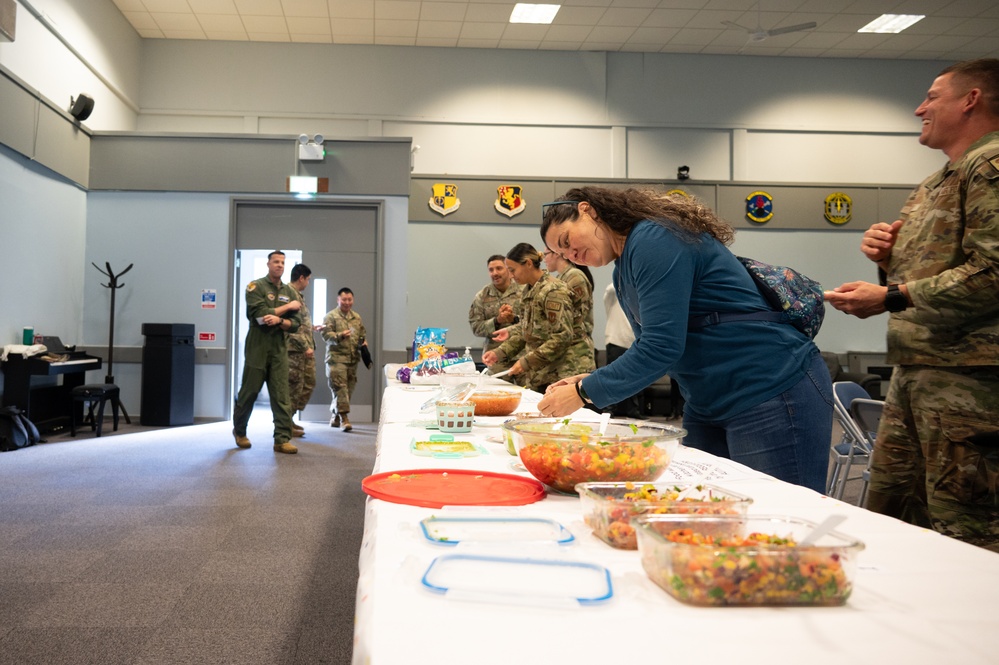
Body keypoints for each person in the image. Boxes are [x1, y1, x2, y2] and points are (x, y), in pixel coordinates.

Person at [535, 187, 832, 492]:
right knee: (707, 512)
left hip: (768, 388)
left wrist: (584, 392)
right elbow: (650, 346)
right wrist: (590, 380)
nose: (570, 255)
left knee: (781, 517)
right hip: (707, 402)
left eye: (567, 241)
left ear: (587, 210)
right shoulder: (622, 271)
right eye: (561, 253)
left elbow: (661, 348)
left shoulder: (654, 239)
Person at [824, 58, 999, 551]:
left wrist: (892, 295)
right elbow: (930, 274)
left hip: (973, 384)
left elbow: (993, 273)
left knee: (969, 534)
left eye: (933, 97)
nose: (920, 108)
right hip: (919, 374)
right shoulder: (937, 181)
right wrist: (887, 262)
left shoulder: (989, 165)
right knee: (895, 523)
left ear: (971, 100)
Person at [232, 250, 302, 454]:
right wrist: (287, 307)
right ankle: (240, 432)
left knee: (281, 394)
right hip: (257, 346)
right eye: (276, 262)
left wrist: (280, 320)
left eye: (282, 262)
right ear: (268, 264)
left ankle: (281, 439)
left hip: (279, 347)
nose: (279, 265)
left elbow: (296, 323)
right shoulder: (256, 287)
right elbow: (259, 315)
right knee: (249, 392)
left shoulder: (289, 291)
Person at [482, 243, 576, 393]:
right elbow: (527, 331)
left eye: (513, 270)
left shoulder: (553, 291)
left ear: (528, 264)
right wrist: (500, 352)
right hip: (539, 374)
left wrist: (526, 361)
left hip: (559, 374)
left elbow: (562, 337)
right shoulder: (529, 291)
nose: (511, 276)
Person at [543, 248, 597, 376]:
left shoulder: (575, 277)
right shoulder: (561, 277)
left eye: (546, 254)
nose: (544, 259)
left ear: (556, 253)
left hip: (576, 357)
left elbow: (577, 317)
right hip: (565, 357)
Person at [468, 254, 524, 374]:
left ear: (508, 270)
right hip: (495, 358)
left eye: (499, 268)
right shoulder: (482, 296)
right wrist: (497, 321)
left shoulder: (524, 291)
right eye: (491, 270)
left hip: (522, 356)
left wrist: (514, 319)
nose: (494, 273)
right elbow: (476, 328)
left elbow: (534, 322)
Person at [321, 287, 367, 432]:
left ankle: (335, 414)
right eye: (344, 300)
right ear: (338, 300)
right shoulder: (331, 316)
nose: (347, 302)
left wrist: (363, 343)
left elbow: (361, 334)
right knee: (340, 388)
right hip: (336, 359)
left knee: (348, 390)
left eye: (349, 300)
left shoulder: (356, 317)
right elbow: (326, 336)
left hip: (353, 360)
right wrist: (340, 335)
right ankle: (344, 419)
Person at [602, 283, 644, 419]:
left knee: (634, 377)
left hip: (631, 341)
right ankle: (609, 410)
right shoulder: (613, 296)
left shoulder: (636, 299)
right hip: (616, 340)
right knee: (614, 376)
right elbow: (610, 289)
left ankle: (633, 411)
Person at [286, 263, 317, 438]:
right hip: (294, 350)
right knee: (293, 387)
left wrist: (312, 328)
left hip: (303, 348)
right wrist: (305, 346)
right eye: (308, 279)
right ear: (302, 278)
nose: (308, 283)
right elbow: (291, 327)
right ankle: (284, 423)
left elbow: (300, 323)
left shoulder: (298, 295)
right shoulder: (289, 294)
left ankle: (288, 419)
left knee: (306, 384)